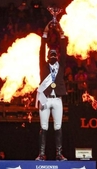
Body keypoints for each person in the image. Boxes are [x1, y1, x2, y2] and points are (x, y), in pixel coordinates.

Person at [35, 21, 67, 161]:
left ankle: (59, 154)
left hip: (58, 98)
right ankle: (42, 154)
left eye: (55, 54)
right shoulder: (43, 65)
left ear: (57, 56)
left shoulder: (61, 66)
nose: (53, 57)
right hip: (46, 98)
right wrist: (45, 33)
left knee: (58, 127)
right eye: (51, 55)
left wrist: (61, 34)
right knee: (44, 126)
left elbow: (64, 49)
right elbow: (41, 49)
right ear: (48, 56)